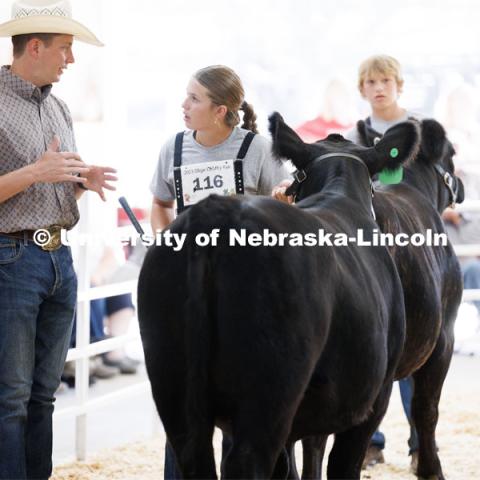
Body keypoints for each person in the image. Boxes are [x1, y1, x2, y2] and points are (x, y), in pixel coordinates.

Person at [149, 64, 290, 478]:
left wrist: (283, 199)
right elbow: (159, 204)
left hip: (246, 288)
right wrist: (166, 241)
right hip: (187, 283)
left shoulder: (259, 149)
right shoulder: (172, 148)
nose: (184, 105)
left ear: (221, 109)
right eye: (186, 95)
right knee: (182, 394)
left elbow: (281, 206)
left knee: (244, 394)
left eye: (194, 98)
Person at [0, 1, 117, 478]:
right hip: (12, 259)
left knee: (43, 394)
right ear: (35, 47)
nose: (71, 60)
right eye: (65, 50)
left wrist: (78, 179)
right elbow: (32, 176)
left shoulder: (58, 106)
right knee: (11, 398)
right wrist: (37, 172)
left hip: (57, 260)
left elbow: (50, 178)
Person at [344, 54, 419, 468]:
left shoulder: (420, 130)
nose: (378, 87)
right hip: (371, 252)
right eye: (370, 81)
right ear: (362, 89)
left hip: (415, 250)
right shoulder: (353, 136)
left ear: (399, 84)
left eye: (385, 80)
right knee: (372, 346)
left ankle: (419, 441)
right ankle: (369, 441)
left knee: (415, 346)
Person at [295, 78, 356, 142]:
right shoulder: (313, 126)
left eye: (344, 95)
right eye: (336, 95)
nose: (341, 101)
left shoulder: (354, 129)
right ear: (327, 99)